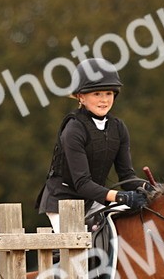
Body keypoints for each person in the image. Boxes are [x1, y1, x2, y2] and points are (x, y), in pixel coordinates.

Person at [35, 57, 149, 232]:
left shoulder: (118, 128)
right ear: (81, 96)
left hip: (93, 198)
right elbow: (82, 183)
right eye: (97, 94)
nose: (104, 100)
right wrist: (121, 197)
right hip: (63, 202)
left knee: (137, 220)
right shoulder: (74, 129)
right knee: (78, 248)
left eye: (108, 93)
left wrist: (149, 188)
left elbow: (127, 176)